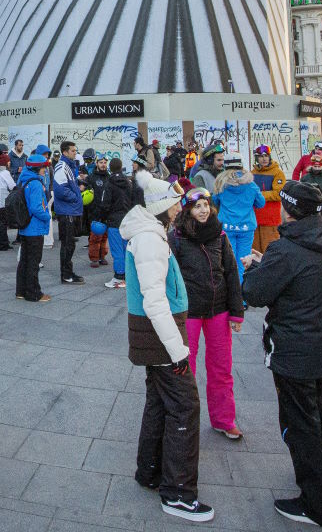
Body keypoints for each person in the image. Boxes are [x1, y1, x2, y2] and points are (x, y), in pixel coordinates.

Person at [242, 181, 322, 528]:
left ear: (288, 210)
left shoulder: (285, 250)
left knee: (300, 424)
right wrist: (265, 263)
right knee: (317, 413)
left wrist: (255, 267)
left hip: (294, 349)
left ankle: (318, 503)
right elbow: (301, 284)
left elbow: (255, 293)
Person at [121, 171, 212, 523]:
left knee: (159, 402)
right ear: (161, 208)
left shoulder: (152, 233)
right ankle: (178, 493)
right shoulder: (150, 239)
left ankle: (151, 470)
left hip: (154, 335)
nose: (179, 211)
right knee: (184, 407)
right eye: (175, 206)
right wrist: (178, 351)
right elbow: (154, 299)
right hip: (161, 337)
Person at [169, 184, 244, 441]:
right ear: (188, 210)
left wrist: (237, 312)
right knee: (184, 368)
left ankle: (224, 419)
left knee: (221, 367)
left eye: (206, 206)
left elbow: (232, 272)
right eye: (197, 206)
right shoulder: (177, 237)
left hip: (218, 310)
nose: (202, 211)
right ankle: (183, 421)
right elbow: (170, 277)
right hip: (188, 312)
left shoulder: (219, 236)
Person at [211, 157, 264, 280]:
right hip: (246, 227)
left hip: (227, 226)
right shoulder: (251, 184)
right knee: (244, 262)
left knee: (229, 261)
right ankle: (241, 294)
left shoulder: (221, 183)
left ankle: (231, 293)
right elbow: (261, 203)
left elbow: (215, 201)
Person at [96, 158, 141, 289]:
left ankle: (119, 277)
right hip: (127, 220)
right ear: (121, 167)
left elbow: (105, 204)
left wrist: (102, 218)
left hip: (114, 221)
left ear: (110, 167)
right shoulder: (129, 182)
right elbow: (133, 201)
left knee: (117, 251)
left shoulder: (109, 183)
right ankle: (129, 275)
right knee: (127, 249)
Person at [15, 151, 53, 302]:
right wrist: (47, 216)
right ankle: (33, 293)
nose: (45, 169)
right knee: (33, 262)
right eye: (43, 167)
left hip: (25, 227)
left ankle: (21, 291)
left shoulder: (24, 180)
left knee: (24, 261)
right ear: (38, 168)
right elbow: (37, 208)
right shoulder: (36, 183)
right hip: (34, 228)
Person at [52, 141, 86, 285]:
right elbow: (60, 190)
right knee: (67, 244)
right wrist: (75, 197)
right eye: (73, 150)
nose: (75, 153)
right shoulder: (62, 166)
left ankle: (68, 272)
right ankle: (66, 275)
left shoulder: (69, 166)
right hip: (67, 211)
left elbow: (68, 184)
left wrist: (78, 185)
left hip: (70, 210)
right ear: (65, 152)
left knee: (70, 244)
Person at [251, 145, 286, 252]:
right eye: (261, 156)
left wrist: (258, 195)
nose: (264, 158)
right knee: (255, 252)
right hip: (254, 219)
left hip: (271, 219)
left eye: (266, 156)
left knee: (270, 251)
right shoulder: (252, 173)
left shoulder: (277, 172)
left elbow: (278, 194)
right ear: (257, 158)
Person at [87, 155, 111, 267]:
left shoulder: (109, 177)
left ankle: (102, 256)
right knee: (95, 237)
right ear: (97, 163)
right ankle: (94, 258)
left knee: (104, 237)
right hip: (95, 211)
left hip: (107, 212)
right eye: (101, 162)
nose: (103, 164)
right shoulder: (91, 177)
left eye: (105, 162)